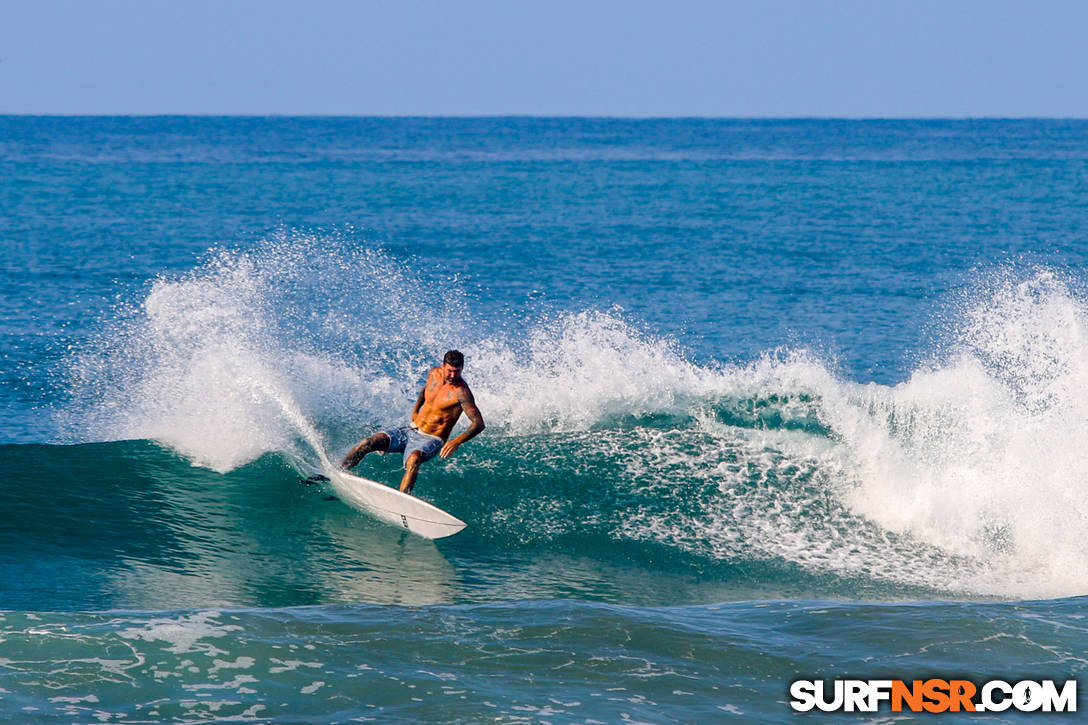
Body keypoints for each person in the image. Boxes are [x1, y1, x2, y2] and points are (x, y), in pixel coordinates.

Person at [340, 350, 485, 495]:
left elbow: (478, 423)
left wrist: (456, 441)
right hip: (410, 429)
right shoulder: (434, 373)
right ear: (442, 366)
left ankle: (402, 500)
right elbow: (425, 390)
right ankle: (339, 473)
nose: (453, 375)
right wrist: (416, 410)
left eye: (457, 371)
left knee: (414, 459)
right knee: (368, 443)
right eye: (450, 371)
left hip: (431, 438)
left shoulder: (462, 392)